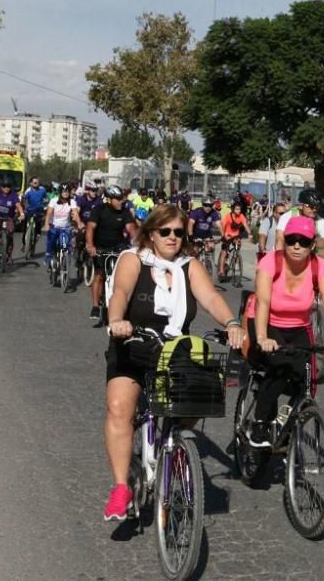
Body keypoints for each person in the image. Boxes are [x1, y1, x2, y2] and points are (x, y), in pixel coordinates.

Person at [102, 204, 246, 520]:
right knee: (119, 408)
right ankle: (121, 487)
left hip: (174, 348)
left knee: (200, 399)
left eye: (178, 232)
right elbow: (122, 292)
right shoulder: (133, 259)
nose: (172, 238)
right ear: (151, 233)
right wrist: (116, 320)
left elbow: (209, 297)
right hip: (133, 343)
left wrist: (232, 323)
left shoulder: (188, 265)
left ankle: (173, 446)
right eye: (165, 231)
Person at [244, 215, 324, 447]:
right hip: (265, 322)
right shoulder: (270, 262)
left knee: (306, 377)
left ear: (312, 244)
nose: (296, 246)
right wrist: (262, 337)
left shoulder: (319, 268)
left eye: (303, 241)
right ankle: (260, 424)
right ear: (284, 240)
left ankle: (284, 422)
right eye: (292, 240)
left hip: (298, 327)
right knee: (278, 366)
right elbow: (263, 301)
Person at [85, 186, 137, 320]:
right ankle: (96, 306)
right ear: (109, 199)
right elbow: (90, 228)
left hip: (118, 246)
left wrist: (138, 245)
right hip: (100, 246)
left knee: (123, 276)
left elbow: (131, 229)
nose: (121, 201)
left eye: (122, 199)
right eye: (118, 199)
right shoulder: (98, 210)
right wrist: (90, 245)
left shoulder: (125, 212)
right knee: (99, 275)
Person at [275, 188, 324, 276]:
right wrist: (278, 259)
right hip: (285, 258)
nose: (314, 210)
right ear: (301, 205)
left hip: (305, 262)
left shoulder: (320, 222)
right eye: (311, 206)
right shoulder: (288, 216)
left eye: (317, 207)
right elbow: (280, 239)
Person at [0, 179, 25, 265]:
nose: (6, 188)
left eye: (8, 186)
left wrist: (22, 214)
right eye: (4, 186)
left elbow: (18, 205)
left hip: (9, 217)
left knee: (10, 235)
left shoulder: (13, 195)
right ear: (1, 187)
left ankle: (9, 256)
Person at [43, 185, 80, 273]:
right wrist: (46, 224)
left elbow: (75, 213)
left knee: (64, 245)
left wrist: (79, 223)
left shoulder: (72, 202)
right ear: (60, 192)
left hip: (65, 228)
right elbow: (49, 213)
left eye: (67, 191)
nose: (66, 193)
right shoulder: (54, 200)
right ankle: (49, 258)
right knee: (51, 243)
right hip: (54, 227)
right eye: (63, 191)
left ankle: (64, 261)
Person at [218, 201, 248, 281]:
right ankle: (221, 269)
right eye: (237, 209)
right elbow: (222, 226)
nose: (238, 211)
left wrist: (250, 233)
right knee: (224, 251)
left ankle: (235, 258)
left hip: (236, 236)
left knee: (237, 247)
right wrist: (223, 236)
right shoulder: (228, 216)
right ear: (233, 209)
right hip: (227, 235)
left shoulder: (241, 216)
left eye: (239, 209)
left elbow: (246, 225)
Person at [21, 177, 48, 252]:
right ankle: (24, 244)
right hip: (29, 211)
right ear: (31, 183)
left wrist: (46, 202)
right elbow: (23, 200)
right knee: (26, 228)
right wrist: (23, 207)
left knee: (38, 226)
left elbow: (46, 198)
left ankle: (37, 236)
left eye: (37, 182)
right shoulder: (28, 191)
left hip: (39, 211)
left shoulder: (42, 190)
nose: (36, 183)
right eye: (34, 182)